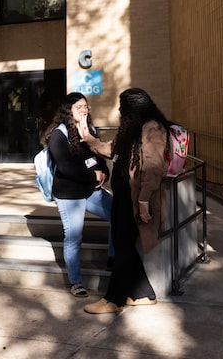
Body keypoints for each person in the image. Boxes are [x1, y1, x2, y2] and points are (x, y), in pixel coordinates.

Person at [77, 88, 172, 314]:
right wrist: (89, 139)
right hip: (122, 196)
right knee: (123, 244)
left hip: (134, 199)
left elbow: (152, 166)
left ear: (133, 108)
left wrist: (144, 200)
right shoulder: (131, 129)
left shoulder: (153, 128)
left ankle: (114, 299)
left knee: (123, 245)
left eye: (122, 107)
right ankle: (143, 294)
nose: (119, 111)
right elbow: (112, 150)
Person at [46, 92, 113, 298]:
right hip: (69, 194)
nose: (84, 110)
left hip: (89, 189)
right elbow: (67, 167)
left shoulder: (90, 131)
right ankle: (76, 282)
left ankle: (113, 259)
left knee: (120, 213)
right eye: (79, 107)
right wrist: (94, 177)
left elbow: (99, 158)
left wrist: (104, 173)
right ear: (69, 111)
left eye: (86, 106)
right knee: (74, 236)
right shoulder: (59, 135)